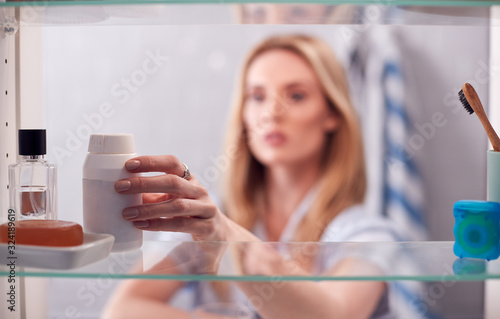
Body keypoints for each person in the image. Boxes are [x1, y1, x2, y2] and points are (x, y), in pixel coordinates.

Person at [103, 34, 399, 319]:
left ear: (332, 113)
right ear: (243, 114)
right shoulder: (203, 215)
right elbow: (122, 310)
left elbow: (335, 314)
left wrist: (225, 235)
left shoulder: (366, 234)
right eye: (257, 96)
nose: (272, 112)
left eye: (296, 95)